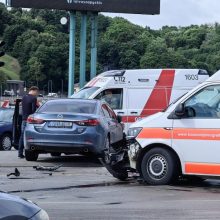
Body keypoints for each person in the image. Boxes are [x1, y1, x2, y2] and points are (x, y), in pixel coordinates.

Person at [18, 86, 39, 158]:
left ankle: (20, 153)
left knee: (22, 136)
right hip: (30, 120)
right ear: (33, 90)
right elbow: (33, 110)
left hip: (23, 119)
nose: (37, 94)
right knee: (30, 137)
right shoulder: (33, 98)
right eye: (36, 92)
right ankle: (29, 151)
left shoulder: (24, 97)